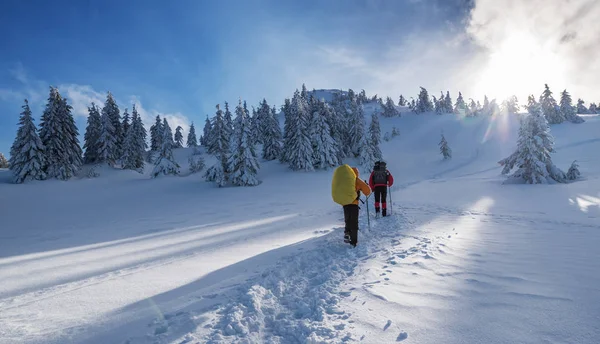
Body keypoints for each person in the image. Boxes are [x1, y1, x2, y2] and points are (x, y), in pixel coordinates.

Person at [344, 167, 372, 247]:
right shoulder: (357, 180)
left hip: (345, 203)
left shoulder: (344, 181)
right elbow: (367, 191)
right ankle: (353, 241)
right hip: (354, 203)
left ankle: (347, 232)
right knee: (354, 221)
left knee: (347, 219)